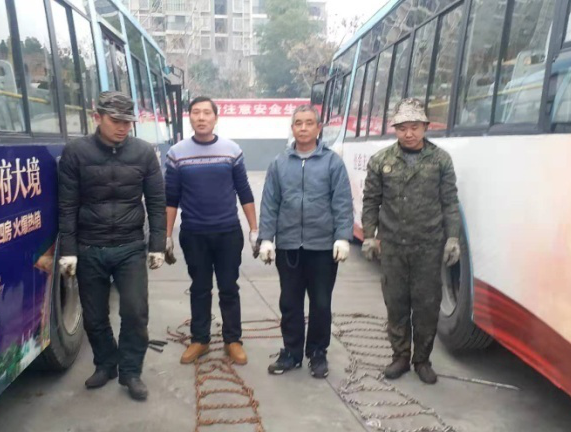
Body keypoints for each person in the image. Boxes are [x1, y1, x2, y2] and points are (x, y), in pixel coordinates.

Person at [57, 91, 166, 401]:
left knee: (135, 312)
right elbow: (67, 205)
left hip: (130, 246)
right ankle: (106, 363)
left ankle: (131, 372)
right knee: (94, 317)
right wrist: (69, 251)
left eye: (127, 122)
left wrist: (157, 245)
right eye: (116, 121)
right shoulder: (76, 153)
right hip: (90, 246)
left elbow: (157, 201)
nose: (122, 127)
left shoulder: (143, 153)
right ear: (98, 117)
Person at [361, 98, 462, 385]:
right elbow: (371, 201)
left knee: (427, 305)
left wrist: (453, 237)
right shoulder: (381, 161)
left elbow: (450, 202)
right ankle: (400, 356)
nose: (409, 133)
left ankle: (422, 360)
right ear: (395, 129)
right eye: (402, 128)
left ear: (425, 127)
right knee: (396, 303)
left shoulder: (440, 160)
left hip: (428, 245)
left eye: (415, 127)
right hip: (393, 246)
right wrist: (369, 236)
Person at [258, 104, 353, 379]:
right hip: (289, 246)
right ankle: (291, 352)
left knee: (321, 303)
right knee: (290, 302)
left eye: (309, 123)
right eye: (298, 123)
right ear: (292, 128)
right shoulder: (279, 164)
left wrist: (342, 237)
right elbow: (270, 203)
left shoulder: (332, 162)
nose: (303, 128)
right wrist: (266, 239)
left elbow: (342, 202)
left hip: (322, 247)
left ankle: (317, 352)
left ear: (318, 128)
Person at [164, 96, 258, 366]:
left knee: (229, 287)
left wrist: (254, 229)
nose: (201, 117)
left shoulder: (232, 151)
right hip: (194, 233)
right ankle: (200, 340)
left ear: (216, 118)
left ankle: (232, 340)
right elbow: (171, 197)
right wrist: (166, 235)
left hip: (228, 232)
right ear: (189, 117)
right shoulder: (177, 153)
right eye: (196, 112)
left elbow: (244, 191)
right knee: (200, 288)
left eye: (207, 113)